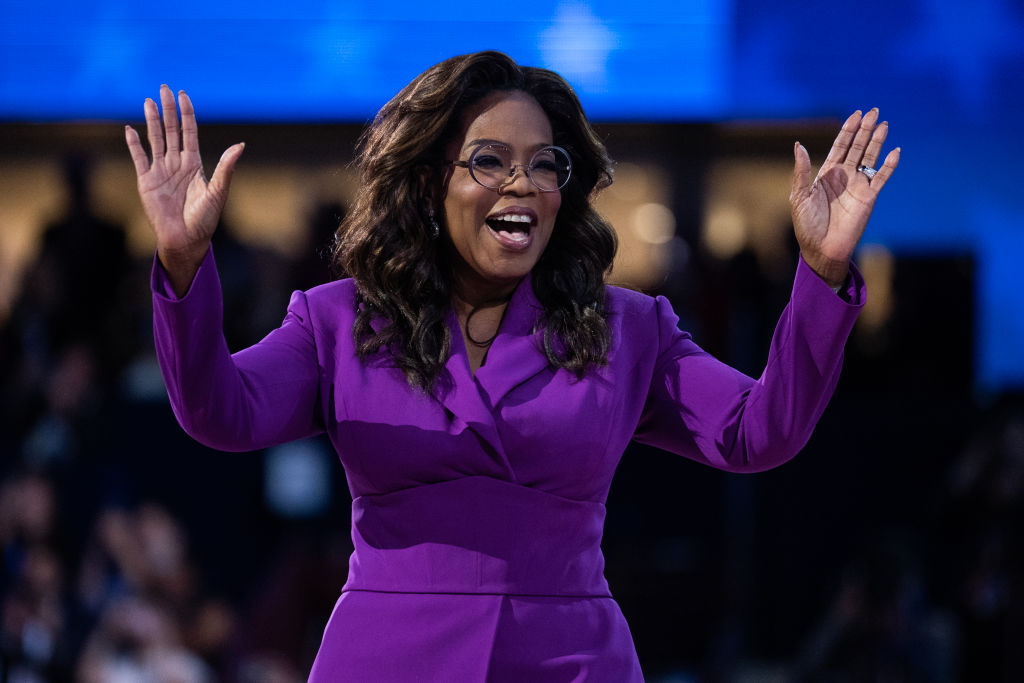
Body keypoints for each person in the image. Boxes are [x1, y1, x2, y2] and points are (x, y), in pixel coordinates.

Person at [125, 51, 898, 681]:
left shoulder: (628, 328)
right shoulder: (336, 320)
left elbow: (756, 432)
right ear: (433, 184)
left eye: (544, 164)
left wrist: (823, 273)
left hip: (571, 660)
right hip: (388, 659)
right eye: (489, 160)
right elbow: (220, 412)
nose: (522, 183)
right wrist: (184, 266)